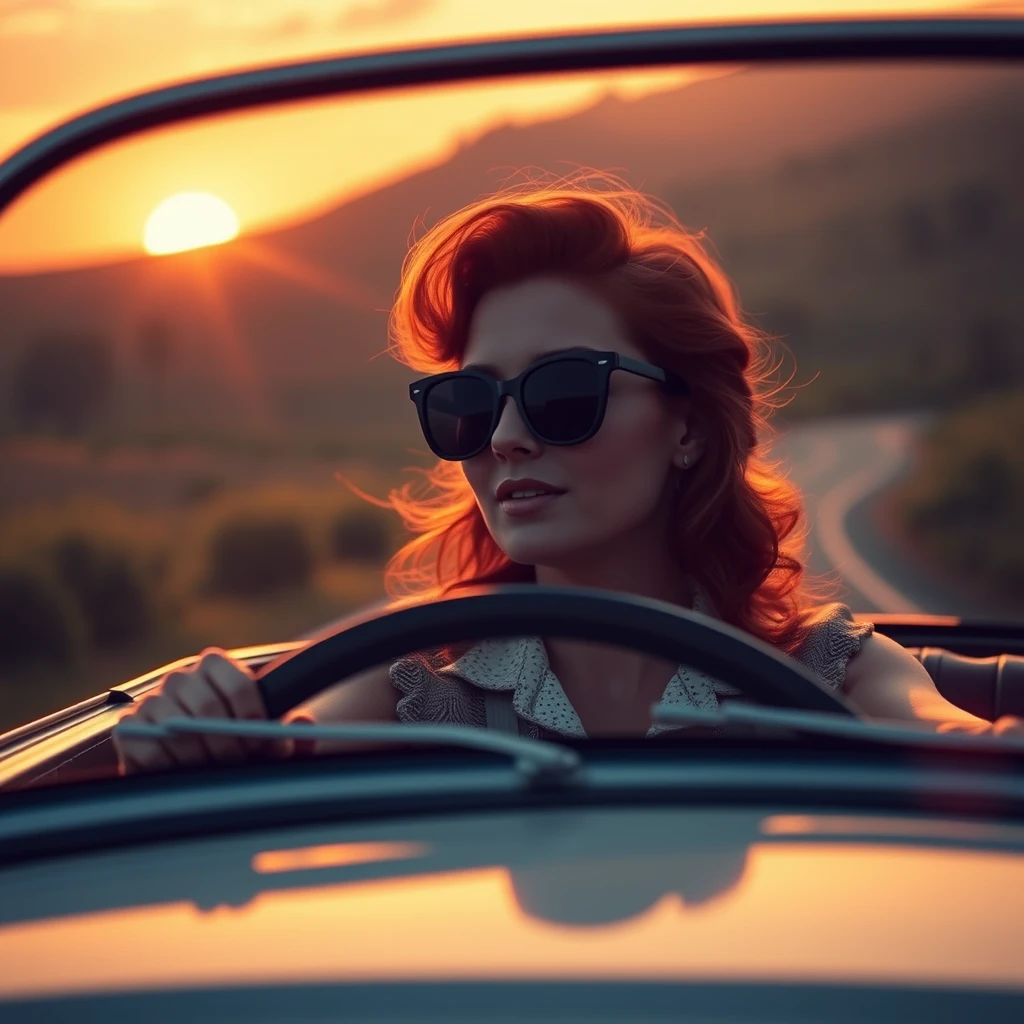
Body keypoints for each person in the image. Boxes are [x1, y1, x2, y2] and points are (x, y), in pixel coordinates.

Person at [114, 181, 1020, 773]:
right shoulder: (415, 685)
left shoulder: (821, 666)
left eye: (563, 391)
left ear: (690, 431)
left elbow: (940, 734)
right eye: (467, 403)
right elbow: (286, 759)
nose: (504, 438)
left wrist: (981, 750)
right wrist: (204, 732)